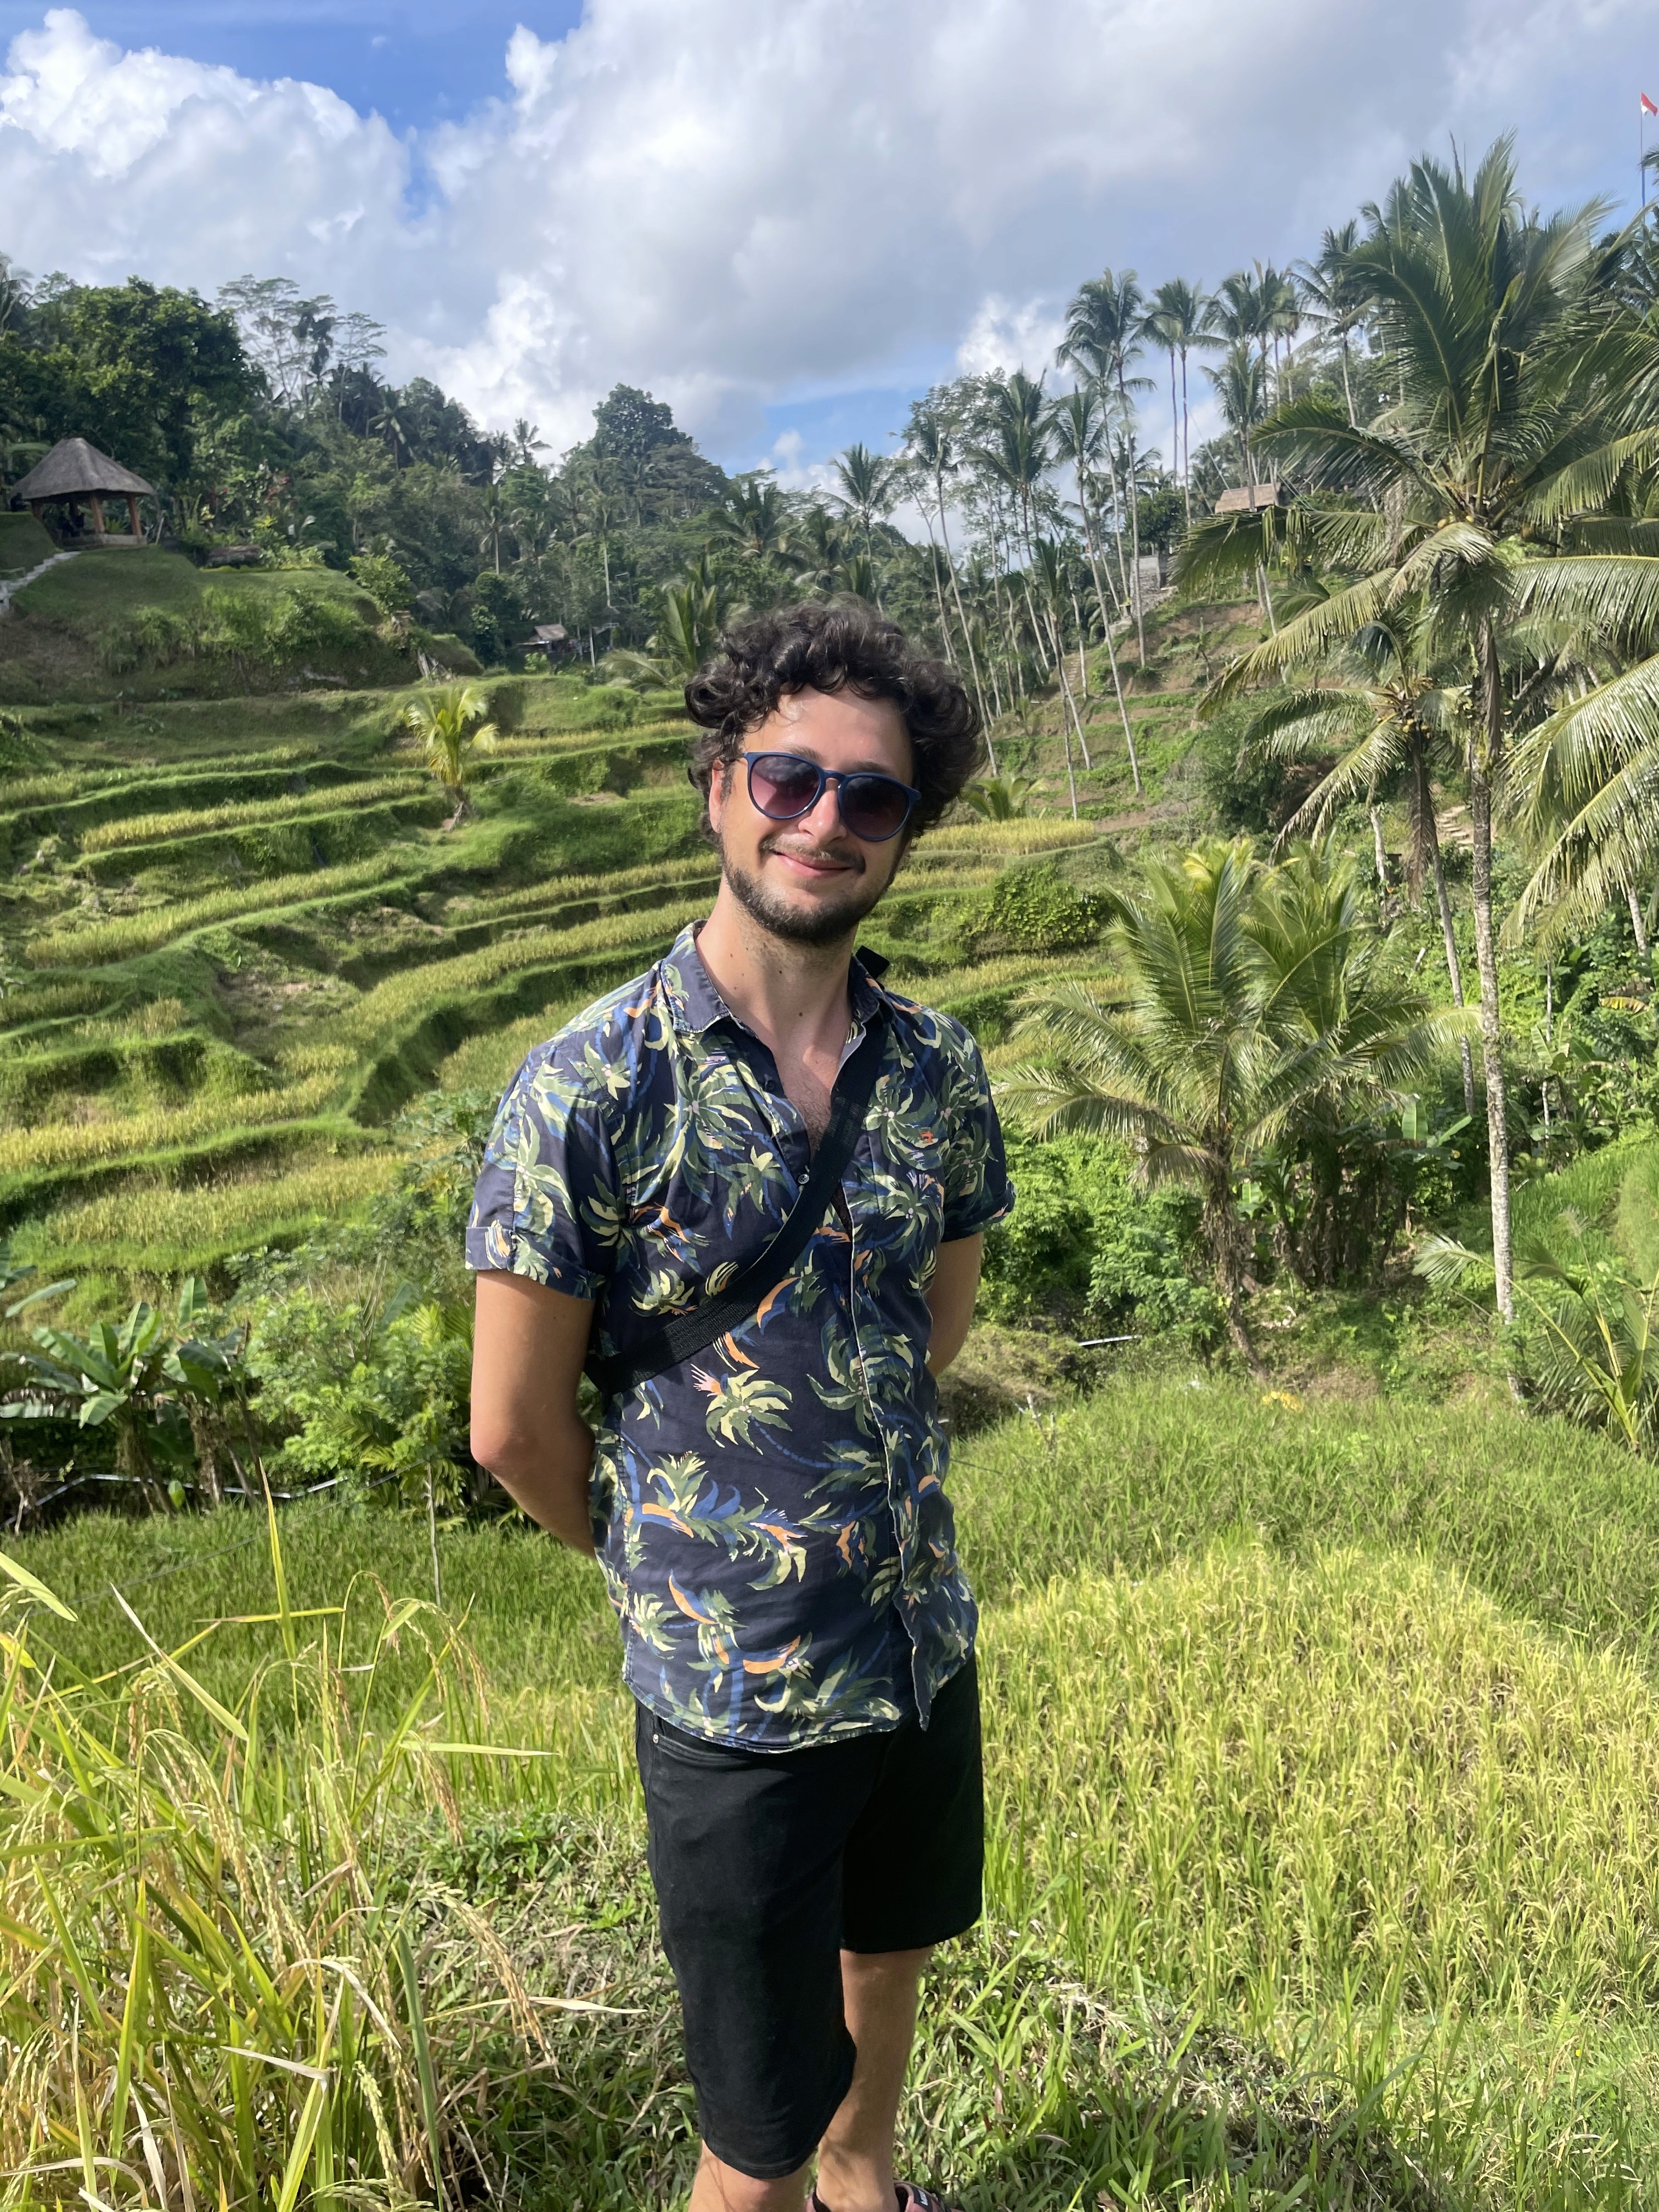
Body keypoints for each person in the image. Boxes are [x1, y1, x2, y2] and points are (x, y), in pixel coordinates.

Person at [467, 600, 1014, 2212]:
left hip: (917, 1640)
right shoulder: (591, 1084)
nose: (826, 820)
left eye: (874, 796)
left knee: (890, 1957)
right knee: (752, 2131)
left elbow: (936, 1322)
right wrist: (673, 1557)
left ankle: (872, 2188)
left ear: (906, 831)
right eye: (789, 779)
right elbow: (512, 1427)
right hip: (736, 1700)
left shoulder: (935, 1067)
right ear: (720, 789)